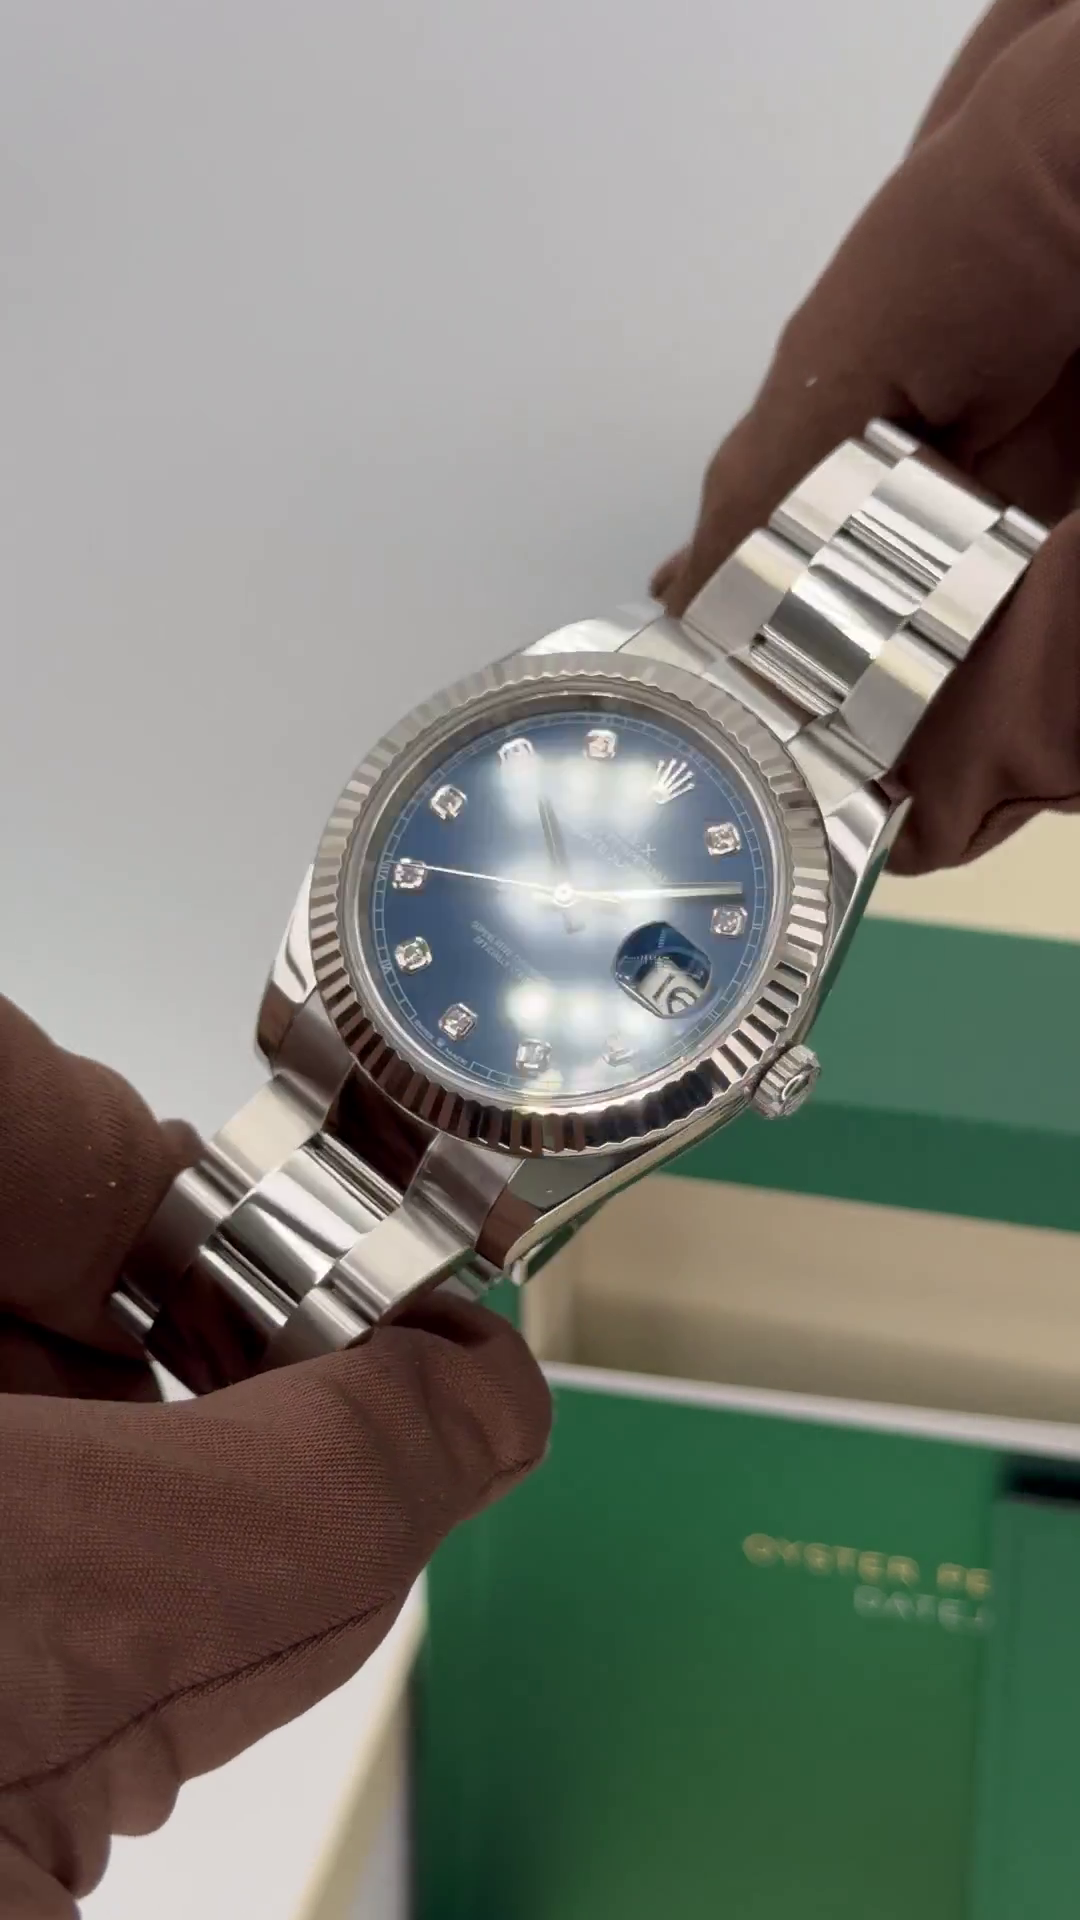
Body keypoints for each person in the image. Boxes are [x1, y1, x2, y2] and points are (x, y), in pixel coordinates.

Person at [3, 0, 1079, 1910]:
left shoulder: (779, 874)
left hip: (492, 1104)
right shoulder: (509, 798)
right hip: (376, 1048)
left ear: (760, 1056)